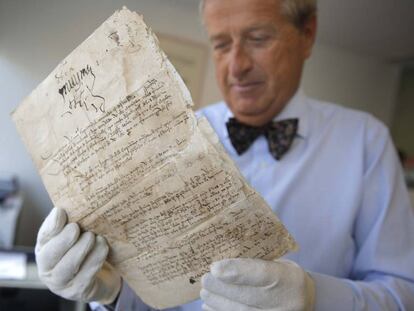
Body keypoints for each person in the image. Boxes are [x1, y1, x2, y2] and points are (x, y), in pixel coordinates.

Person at [35, 0, 414, 310]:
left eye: (258, 38)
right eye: (220, 44)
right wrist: (112, 291)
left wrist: (317, 299)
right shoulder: (171, 139)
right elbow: (159, 301)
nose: (236, 67)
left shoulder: (366, 141)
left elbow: (403, 293)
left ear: (308, 34)